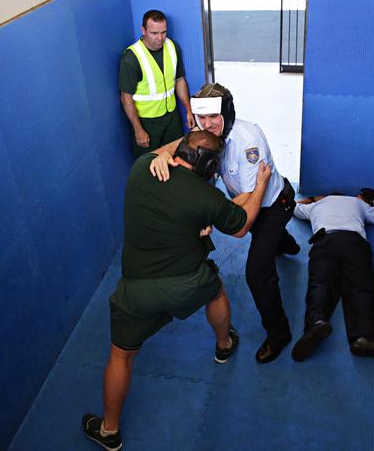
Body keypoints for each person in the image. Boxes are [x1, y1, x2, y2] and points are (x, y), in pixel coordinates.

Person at [82, 130, 272, 450]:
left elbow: (168, 151)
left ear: (178, 151)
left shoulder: (143, 167)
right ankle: (224, 345)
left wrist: (168, 150)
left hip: (136, 290)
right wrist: (261, 183)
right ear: (210, 165)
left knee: (121, 356)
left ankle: (109, 430)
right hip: (189, 283)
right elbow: (240, 226)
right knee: (216, 291)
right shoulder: (206, 197)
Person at [150, 83, 300, 364]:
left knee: (257, 273)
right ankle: (286, 244)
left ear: (227, 114)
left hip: (271, 206)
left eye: (213, 118)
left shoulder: (247, 141)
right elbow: (183, 148)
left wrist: (209, 217)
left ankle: (280, 335)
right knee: (273, 244)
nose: (207, 125)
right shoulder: (204, 133)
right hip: (248, 201)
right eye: (202, 118)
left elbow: (248, 199)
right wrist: (161, 155)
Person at [290, 190, 374, 363]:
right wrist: (366, 205)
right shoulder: (356, 203)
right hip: (354, 243)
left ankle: (315, 324)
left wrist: (313, 199)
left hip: (324, 241)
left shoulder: (317, 205)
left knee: (319, 284)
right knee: (361, 287)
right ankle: (365, 337)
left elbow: (295, 208)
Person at [119, 9, 196, 157]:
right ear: (143, 30)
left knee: (176, 159)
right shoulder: (131, 58)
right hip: (147, 123)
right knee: (150, 165)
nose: (160, 38)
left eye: (163, 32)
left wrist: (188, 109)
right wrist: (138, 130)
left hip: (172, 118)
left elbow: (179, 80)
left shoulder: (172, 47)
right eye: (154, 33)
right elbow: (125, 97)